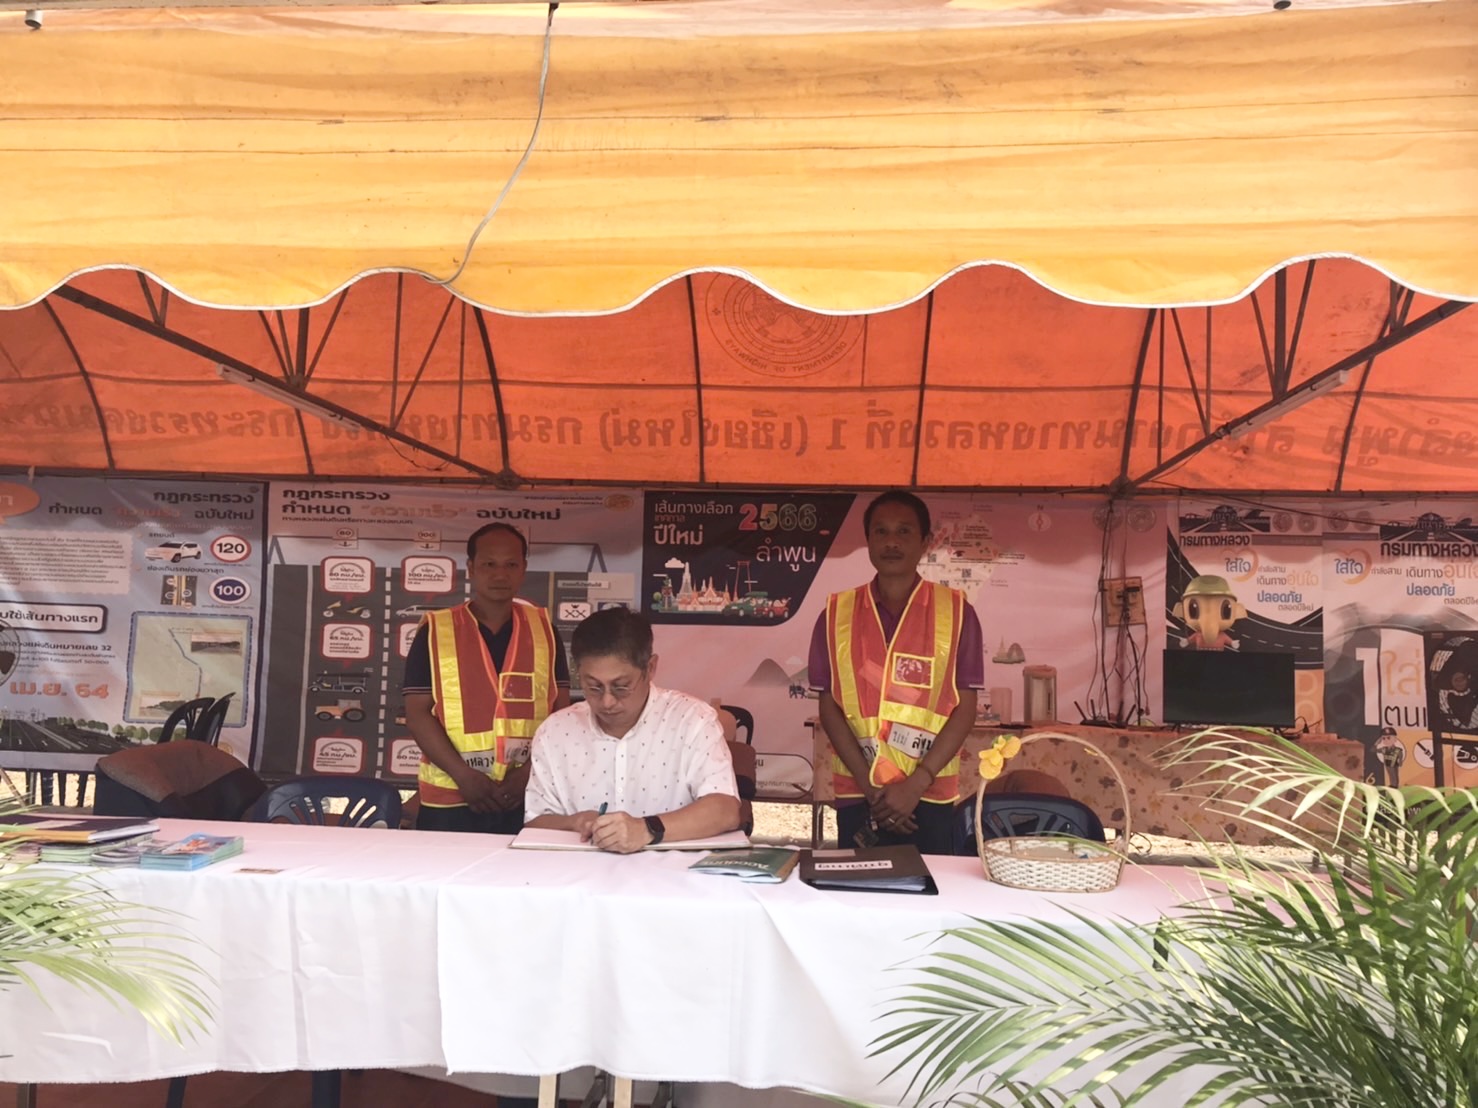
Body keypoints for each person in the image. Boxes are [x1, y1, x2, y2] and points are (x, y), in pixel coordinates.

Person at [810, 490, 984, 855]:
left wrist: (915, 784)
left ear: (924, 541)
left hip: (928, 794)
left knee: (930, 885)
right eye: (881, 531)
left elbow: (965, 708)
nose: (891, 542)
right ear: (868, 540)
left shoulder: (957, 613)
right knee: (861, 886)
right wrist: (872, 788)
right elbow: (830, 707)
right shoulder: (836, 614)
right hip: (861, 794)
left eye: (904, 531)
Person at [524, 607, 741, 853]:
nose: (607, 702)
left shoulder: (692, 720)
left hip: (674, 874)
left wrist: (647, 829)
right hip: (580, 874)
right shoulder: (555, 732)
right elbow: (534, 822)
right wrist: (575, 822)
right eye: (594, 687)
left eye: (621, 686)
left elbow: (725, 810)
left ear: (650, 668)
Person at [403, 522, 570, 833]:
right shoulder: (436, 631)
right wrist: (464, 777)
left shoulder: (544, 631)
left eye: (511, 565)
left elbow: (561, 715)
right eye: (489, 564)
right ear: (471, 568)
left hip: (527, 796)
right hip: (452, 799)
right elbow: (417, 714)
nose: (500, 574)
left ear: (523, 569)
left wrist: (528, 775)